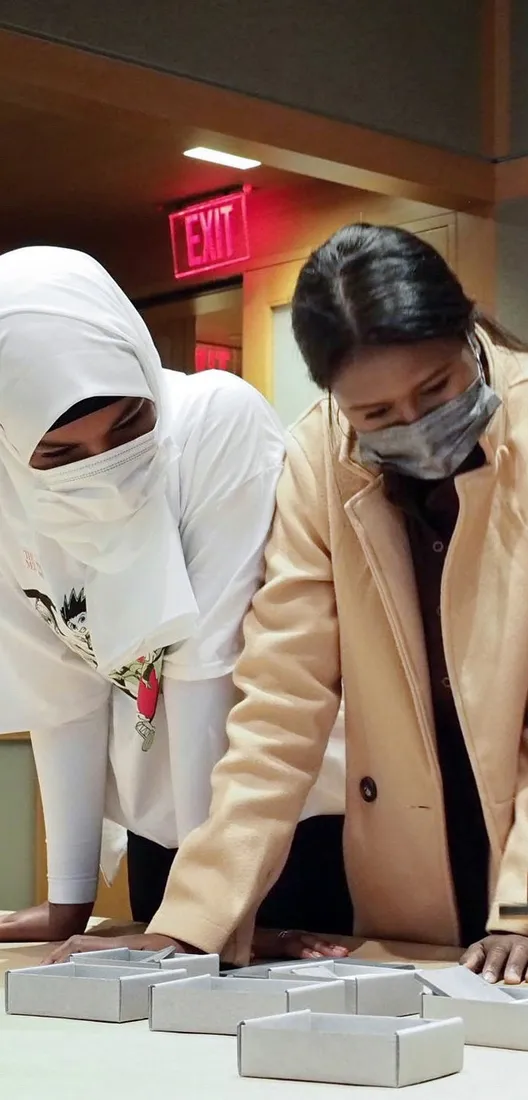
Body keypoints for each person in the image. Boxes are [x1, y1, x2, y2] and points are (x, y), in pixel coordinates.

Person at [49, 223, 528, 984]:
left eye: (436, 391)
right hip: (421, 842)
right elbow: (281, 702)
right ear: (334, 400)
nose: (415, 426)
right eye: (376, 416)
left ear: (467, 331)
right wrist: (193, 921)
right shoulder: (314, 456)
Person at [0, 247, 349, 953]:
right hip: (163, 828)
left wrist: (207, 917)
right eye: (62, 455)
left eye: (129, 426)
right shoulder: (7, 492)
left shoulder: (213, 423)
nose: (104, 467)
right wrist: (69, 900)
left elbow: (208, 668)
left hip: (290, 821)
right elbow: (59, 687)